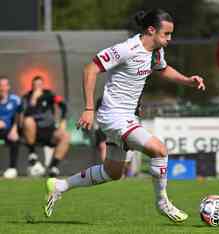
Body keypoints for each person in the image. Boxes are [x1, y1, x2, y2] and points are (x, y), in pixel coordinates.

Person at [44, 9, 205, 223]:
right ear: (151, 30)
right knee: (159, 150)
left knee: (113, 172)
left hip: (127, 116)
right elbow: (90, 69)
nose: (169, 38)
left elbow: (162, 69)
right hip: (113, 116)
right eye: (166, 34)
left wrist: (187, 81)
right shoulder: (127, 49)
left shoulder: (156, 51)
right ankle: (162, 203)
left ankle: (59, 186)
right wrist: (89, 108)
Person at [22, 76, 70, 177]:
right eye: (35, 85)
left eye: (39, 85)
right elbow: (24, 114)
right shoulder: (26, 97)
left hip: (49, 130)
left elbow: (63, 105)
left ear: (42, 85)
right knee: (28, 121)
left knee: (65, 136)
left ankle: (53, 167)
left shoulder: (49, 95)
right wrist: (33, 100)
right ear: (31, 86)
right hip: (34, 132)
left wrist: (63, 121)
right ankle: (32, 154)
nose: (37, 87)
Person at [0, 76, 22, 178]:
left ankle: (12, 168)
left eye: (4, 85)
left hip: (8, 130)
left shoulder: (15, 100)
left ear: (8, 87)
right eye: (0, 85)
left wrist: (14, 129)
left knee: (15, 139)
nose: (2, 88)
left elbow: (19, 115)